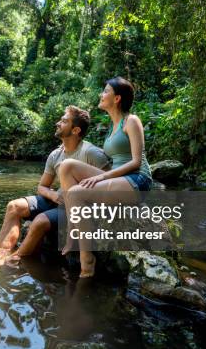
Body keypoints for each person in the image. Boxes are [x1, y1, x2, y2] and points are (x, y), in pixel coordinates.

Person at [0, 106, 111, 268]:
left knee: (40, 221)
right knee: (14, 206)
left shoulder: (92, 153)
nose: (57, 123)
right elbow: (42, 187)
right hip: (58, 199)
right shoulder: (56, 154)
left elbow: (111, 184)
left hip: (78, 208)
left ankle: (14, 259)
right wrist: (54, 196)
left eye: (63, 121)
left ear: (75, 130)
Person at [59, 77, 153, 278]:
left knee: (76, 194)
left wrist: (102, 178)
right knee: (66, 166)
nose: (101, 95)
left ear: (117, 98)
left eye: (105, 91)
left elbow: (136, 162)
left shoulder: (131, 121)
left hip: (137, 180)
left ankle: (87, 261)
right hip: (118, 178)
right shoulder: (112, 127)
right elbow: (110, 158)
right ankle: (72, 229)